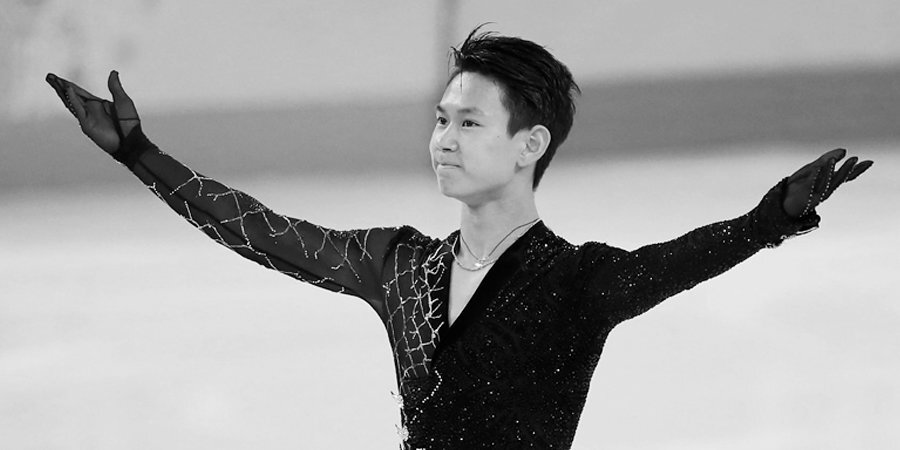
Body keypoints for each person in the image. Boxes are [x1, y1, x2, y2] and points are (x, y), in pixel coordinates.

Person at [46, 27, 872, 449]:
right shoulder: (398, 265)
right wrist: (140, 154)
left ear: (529, 144)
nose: (443, 139)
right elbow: (265, 233)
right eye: (440, 119)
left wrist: (771, 219)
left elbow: (676, 263)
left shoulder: (577, 282)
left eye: (469, 123)